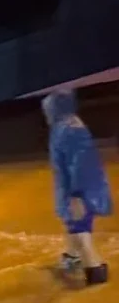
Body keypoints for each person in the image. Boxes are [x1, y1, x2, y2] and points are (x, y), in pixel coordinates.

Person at [43, 90, 112, 285]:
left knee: (80, 230)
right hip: (78, 187)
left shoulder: (69, 130)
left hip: (79, 189)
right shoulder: (66, 126)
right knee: (75, 225)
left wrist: (76, 195)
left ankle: (95, 271)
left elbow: (79, 164)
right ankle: (72, 257)